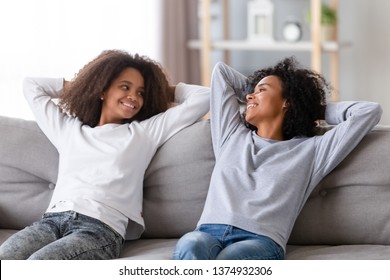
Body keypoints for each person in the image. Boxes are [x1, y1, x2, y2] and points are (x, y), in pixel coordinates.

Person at [0, 49, 209, 260]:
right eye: (125, 87)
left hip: (98, 230)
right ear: (103, 89)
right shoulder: (69, 130)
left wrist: (160, 92)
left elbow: (205, 97)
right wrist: (89, 85)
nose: (133, 97)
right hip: (51, 222)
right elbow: (32, 86)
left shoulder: (144, 133)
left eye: (140, 92)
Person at [173, 57, 382, 260]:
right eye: (251, 92)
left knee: (230, 260)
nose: (249, 97)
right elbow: (221, 73)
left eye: (261, 90)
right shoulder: (230, 134)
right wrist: (258, 94)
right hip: (208, 232)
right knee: (191, 244)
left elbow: (369, 111)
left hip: (260, 240)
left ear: (286, 102)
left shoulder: (313, 150)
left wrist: (310, 108)